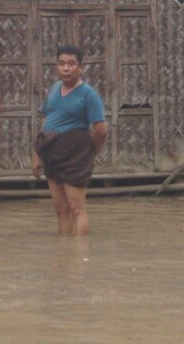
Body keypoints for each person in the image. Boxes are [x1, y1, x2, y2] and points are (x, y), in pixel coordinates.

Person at [32, 44, 108, 236]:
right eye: (62, 63)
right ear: (57, 66)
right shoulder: (55, 89)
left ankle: (80, 260)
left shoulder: (88, 95)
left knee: (76, 209)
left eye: (71, 64)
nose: (66, 68)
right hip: (51, 152)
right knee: (60, 209)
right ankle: (65, 255)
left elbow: (101, 130)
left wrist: (90, 153)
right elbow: (47, 121)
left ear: (81, 67)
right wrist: (37, 155)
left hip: (75, 154)